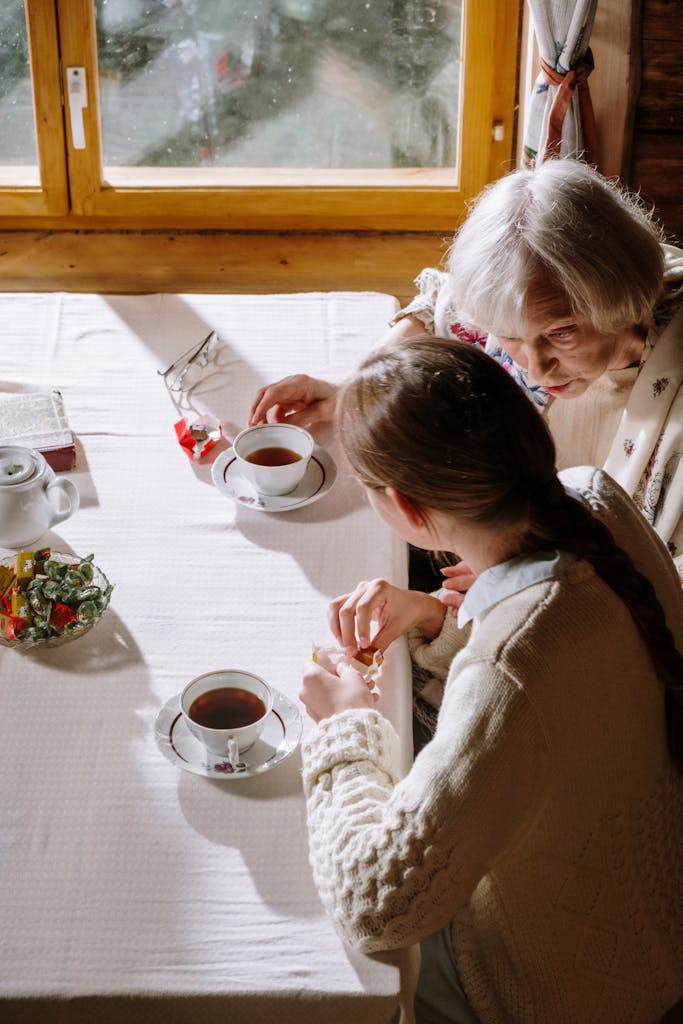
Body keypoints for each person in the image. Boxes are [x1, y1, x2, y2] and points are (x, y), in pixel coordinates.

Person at [299, 336, 683, 1024]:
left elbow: (376, 905)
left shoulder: (508, 671)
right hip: (651, 903)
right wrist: (432, 621)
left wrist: (345, 731)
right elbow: (567, 694)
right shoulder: (591, 499)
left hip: (557, 986)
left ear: (405, 509)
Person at [248, 159, 683, 583]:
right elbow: (446, 311)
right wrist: (353, 387)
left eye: (562, 333)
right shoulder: (522, 301)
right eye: (507, 335)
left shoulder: (656, 355)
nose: (534, 366)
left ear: (620, 298)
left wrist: (517, 581)